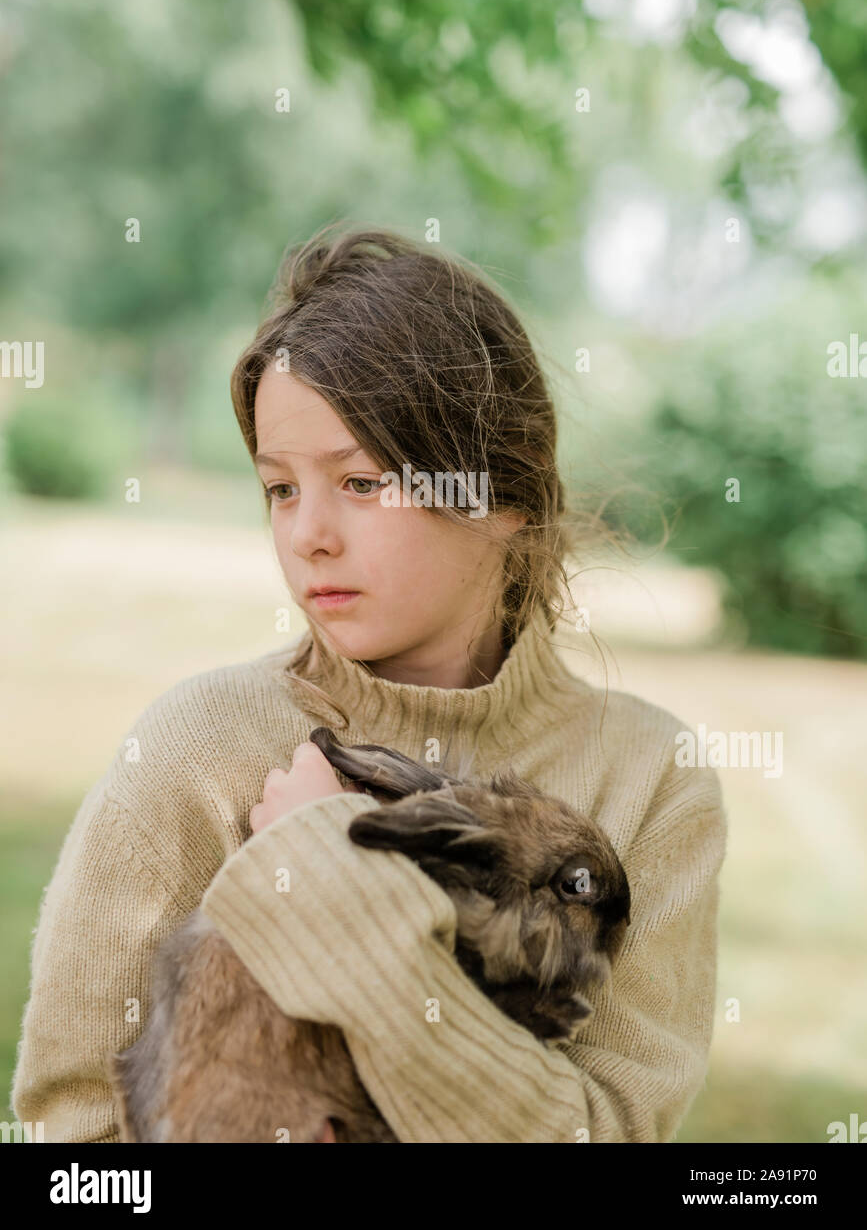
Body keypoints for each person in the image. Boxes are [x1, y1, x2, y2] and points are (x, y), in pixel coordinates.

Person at [11, 225, 727, 1143]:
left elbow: (600, 1132)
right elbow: (77, 1136)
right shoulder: (194, 752)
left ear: (501, 496)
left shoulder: (648, 783)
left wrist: (333, 887)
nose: (308, 534)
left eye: (359, 482)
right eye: (279, 489)